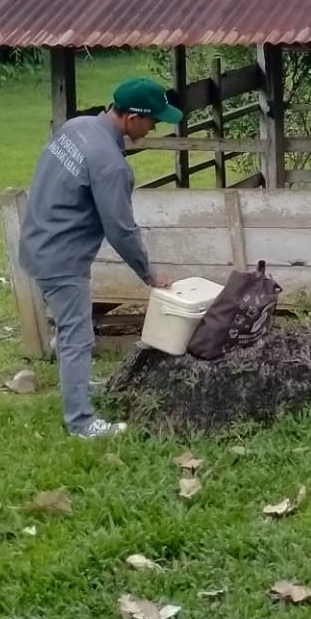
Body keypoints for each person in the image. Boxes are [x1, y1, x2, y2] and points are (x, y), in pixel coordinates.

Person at [20, 77, 180, 439]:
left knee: (69, 325)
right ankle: (80, 421)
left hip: (36, 240)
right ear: (132, 118)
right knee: (78, 335)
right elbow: (121, 229)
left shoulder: (77, 127)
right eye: (153, 120)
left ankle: (77, 384)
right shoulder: (111, 165)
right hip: (61, 258)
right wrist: (150, 274)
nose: (154, 127)